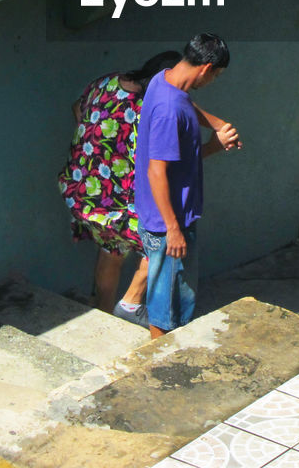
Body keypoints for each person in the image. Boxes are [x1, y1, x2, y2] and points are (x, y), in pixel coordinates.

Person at [58, 49, 180, 321]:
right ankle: (129, 304)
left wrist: (93, 138)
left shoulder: (107, 82)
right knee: (164, 242)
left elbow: (77, 107)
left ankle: (103, 316)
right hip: (117, 199)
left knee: (112, 249)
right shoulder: (146, 108)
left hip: (84, 192)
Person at [133, 33, 241, 338]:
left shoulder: (163, 80)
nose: (213, 80)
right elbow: (157, 173)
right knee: (165, 309)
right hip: (168, 223)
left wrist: (217, 126)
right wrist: (173, 229)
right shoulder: (170, 113)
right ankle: (161, 367)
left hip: (168, 217)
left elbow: (187, 106)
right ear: (206, 69)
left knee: (177, 298)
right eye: (216, 75)